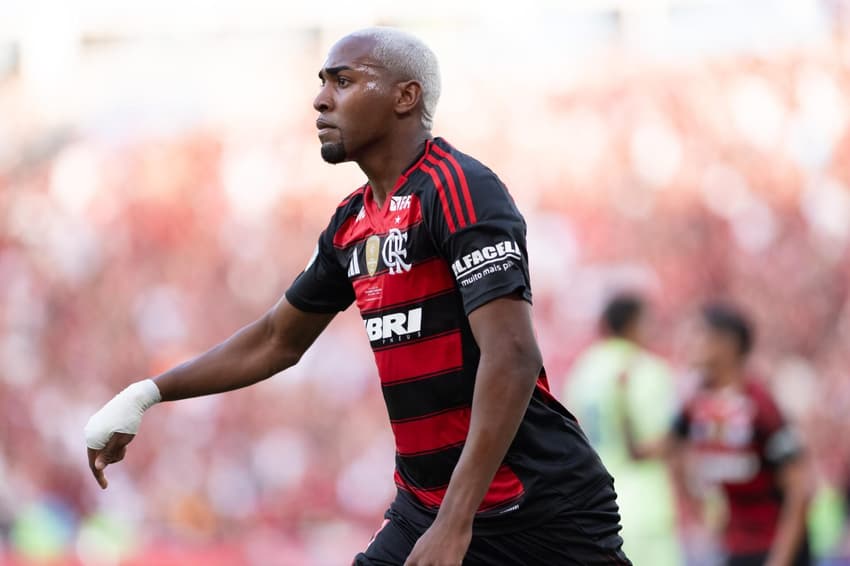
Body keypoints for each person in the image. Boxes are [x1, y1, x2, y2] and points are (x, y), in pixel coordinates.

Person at [84, 27, 630, 565]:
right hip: (426, 505)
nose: (320, 99)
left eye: (342, 81)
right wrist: (146, 393)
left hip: (537, 510)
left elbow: (512, 355)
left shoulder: (458, 188)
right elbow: (277, 340)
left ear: (405, 96)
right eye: (322, 82)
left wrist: (455, 523)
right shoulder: (351, 223)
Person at [622, 303, 812, 566]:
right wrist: (622, 401)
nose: (690, 342)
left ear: (727, 344)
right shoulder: (696, 403)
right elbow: (645, 452)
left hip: (776, 548)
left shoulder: (761, 404)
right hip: (737, 549)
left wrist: (780, 560)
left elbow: (799, 489)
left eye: (699, 334)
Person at [564, 293, 682, 566]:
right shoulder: (646, 368)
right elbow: (656, 444)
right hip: (646, 504)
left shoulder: (583, 369)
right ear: (633, 323)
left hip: (598, 502)